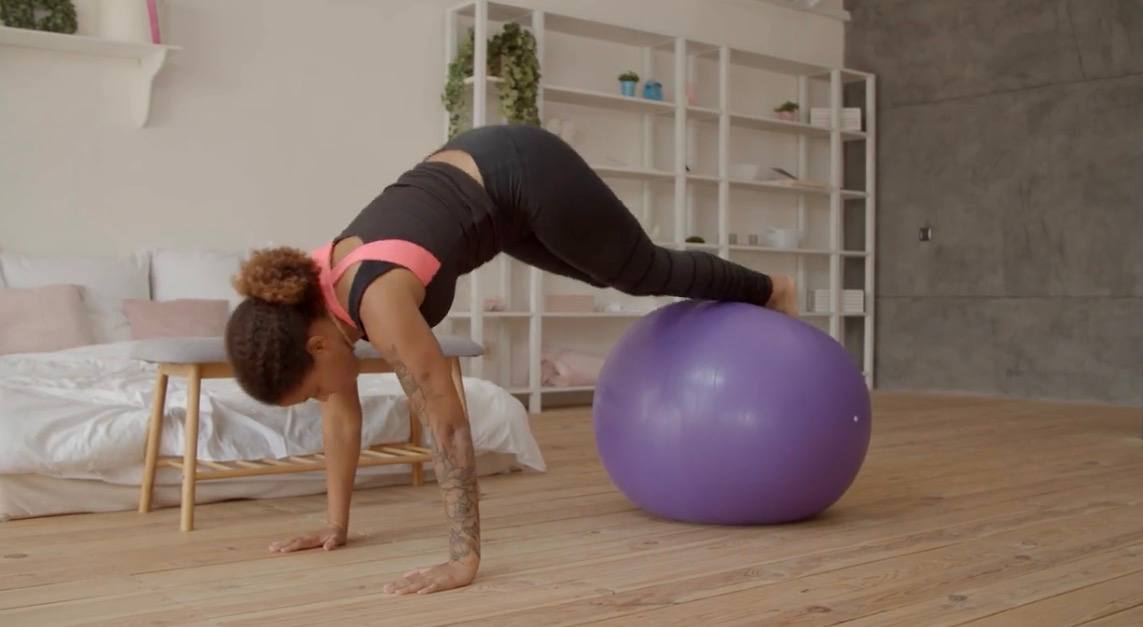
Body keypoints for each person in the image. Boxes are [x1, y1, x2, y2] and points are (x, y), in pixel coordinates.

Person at [224, 124, 797, 596]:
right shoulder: (313, 302)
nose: (325, 398)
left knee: (641, 270)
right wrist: (335, 524)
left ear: (317, 346)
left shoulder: (378, 301)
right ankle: (760, 290)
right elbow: (342, 418)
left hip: (520, 169)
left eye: (313, 390)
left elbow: (448, 423)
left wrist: (462, 558)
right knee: (607, 271)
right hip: (493, 193)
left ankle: (773, 288)